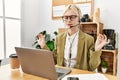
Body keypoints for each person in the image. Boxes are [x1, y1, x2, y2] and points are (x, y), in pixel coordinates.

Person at [37, 4, 109, 71]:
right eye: (66, 17)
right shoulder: (59, 38)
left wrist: (96, 50)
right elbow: (54, 61)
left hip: (79, 76)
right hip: (63, 75)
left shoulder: (88, 39)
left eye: (72, 17)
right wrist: (43, 45)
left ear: (79, 19)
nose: (68, 20)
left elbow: (92, 66)